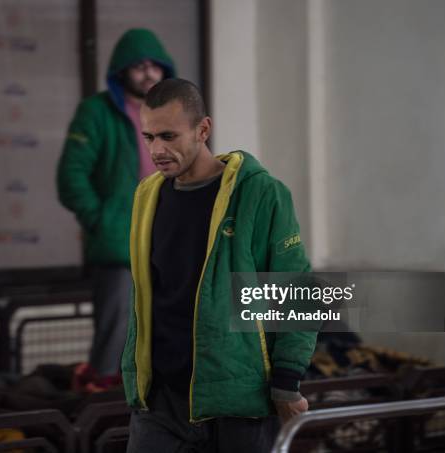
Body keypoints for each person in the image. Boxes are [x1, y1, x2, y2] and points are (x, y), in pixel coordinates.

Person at [121, 78, 317, 452]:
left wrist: (287, 380)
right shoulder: (147, 196)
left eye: (168, 136)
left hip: (239, 402)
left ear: (203, 129)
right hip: (160, 398)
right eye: (148, 138)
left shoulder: (260, 193)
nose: (157, 150)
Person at [57, 29, 176, 391]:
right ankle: (105, 410)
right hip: (117, 240)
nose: (149, 74)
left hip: (169, 236)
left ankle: (160, 404)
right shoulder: (96, 112)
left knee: (170, 326)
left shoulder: (171, 112)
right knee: (116, 330)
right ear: (122, 70)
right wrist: (101, 218)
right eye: (140, 66)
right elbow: (70, 175)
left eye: (156, 66)